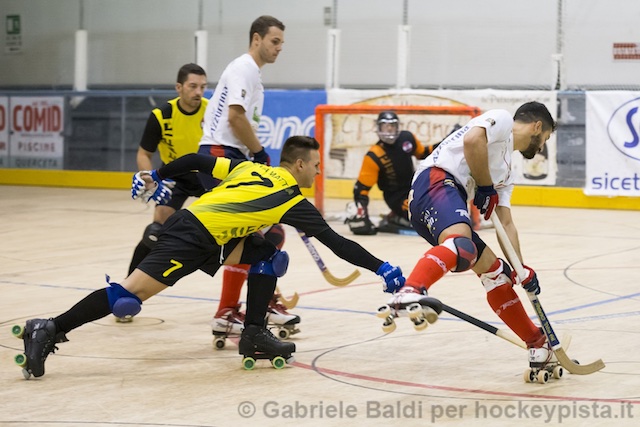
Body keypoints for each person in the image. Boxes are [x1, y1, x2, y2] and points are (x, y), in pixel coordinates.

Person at [15, 136, 406, 379]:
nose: (318, 174)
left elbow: (195, 162)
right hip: (191, 235)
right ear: (300, 164)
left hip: (210, 236)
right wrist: (381, 267)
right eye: (317, 167)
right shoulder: (290, 197)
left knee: (268, 256)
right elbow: (337, 242)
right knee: (127, 298)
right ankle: (48, 328)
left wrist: (158, 174)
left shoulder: (249, 168)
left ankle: (253, 334)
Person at [394, 102, 557, 370]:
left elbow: (506, 222)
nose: (541, 147)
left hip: (439, 199)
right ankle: (409, 292)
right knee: (462, 245)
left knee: (497, 274)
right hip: (436, 180)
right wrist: (484, 186)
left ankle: (537, 344)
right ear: (537, 127)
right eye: (545, 138)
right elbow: (472, 141)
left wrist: (521, 267)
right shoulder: (502, 121)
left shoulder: (506, 172)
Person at [196, 15, 297, 337]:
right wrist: (259, 153)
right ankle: (241, 308)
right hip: (222, 157)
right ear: (256, 39)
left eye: (281, 43)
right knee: (269, 233)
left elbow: (220, 118)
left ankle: (247, 305)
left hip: (226, 156)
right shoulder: (245, 68)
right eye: (274, 41)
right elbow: (236, 117)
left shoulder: (250, 73)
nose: (279, 48)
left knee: (259, 235)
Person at [127, 63, 208, 281]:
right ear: (178, 87)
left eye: (202, 87)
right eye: (193, 86)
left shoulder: (212, 112)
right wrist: (152, 182)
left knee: (237, 228)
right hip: (175, 176)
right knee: (155, 232)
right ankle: (127, 286)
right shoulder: (161, 116)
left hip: (207, 175)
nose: (198, 92)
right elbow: (144, 154)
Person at [346, 111, 444, 235]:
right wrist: (361, 216)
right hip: (396, 197)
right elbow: (361, 190)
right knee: (426, 214)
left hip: (415, 187)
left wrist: (446, 141)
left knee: (441, 205)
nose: (389, 129)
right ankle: (396, 216)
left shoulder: (407, 138)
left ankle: (397, 216)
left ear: (397, 127)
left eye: (392, 125)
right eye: (385, 126)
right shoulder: (374, 155)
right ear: (378, 128)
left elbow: (423, 153)